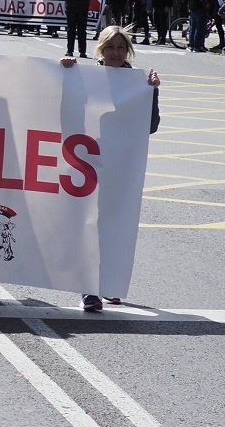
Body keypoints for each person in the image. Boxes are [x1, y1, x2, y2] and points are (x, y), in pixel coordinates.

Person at [61, 25, 160, 311]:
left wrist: (151, 92)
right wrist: (66, 71)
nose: (115, 53)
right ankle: (88, 288)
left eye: (120, 47)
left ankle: (111, 284)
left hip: (120, 167)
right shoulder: (86, 77)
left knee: (115, 225)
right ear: (100, 50)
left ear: (127, 50)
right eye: (110, 47)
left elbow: (150, 126)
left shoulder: (138, 82)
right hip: (87, 163)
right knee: (89, 224)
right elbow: (67, 110)